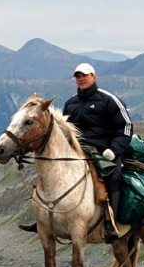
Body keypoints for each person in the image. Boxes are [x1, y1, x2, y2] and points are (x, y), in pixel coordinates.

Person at [19, 62, 132, 243]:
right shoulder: (71, 103)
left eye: (84, 75)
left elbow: (125, 126)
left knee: (114, 177)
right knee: (49, 176)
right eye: (78, 76)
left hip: (105, 152)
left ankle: (112, 223)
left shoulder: (109, 100)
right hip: (77, 151)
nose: (81, 79)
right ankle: (43, 220)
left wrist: (114, 149)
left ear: (94, 77)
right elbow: (63, 131)